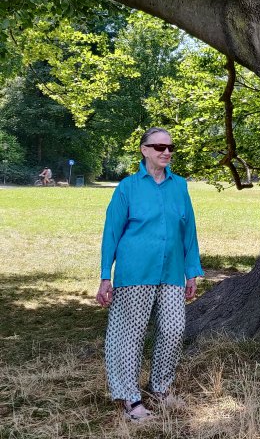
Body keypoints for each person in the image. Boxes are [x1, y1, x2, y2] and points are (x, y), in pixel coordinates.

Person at [95, 127, 203, 422]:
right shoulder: (127, 188)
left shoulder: (179, 186)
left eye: (170, 147)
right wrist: (106, 275)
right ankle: (130, 398)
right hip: (135, 271)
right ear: (144, 150)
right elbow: (111, 233)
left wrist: (192, 272)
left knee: (173, 329)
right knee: (130, 336)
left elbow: (188, 230)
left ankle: (160, 387)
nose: (166, 152)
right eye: (158, 147)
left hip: (171, 271)